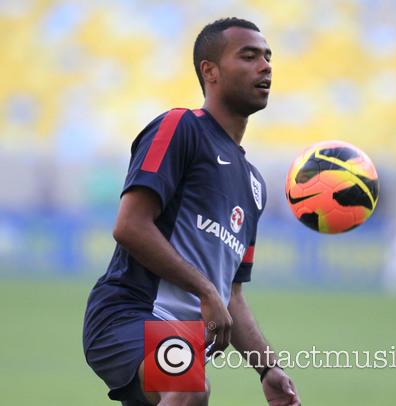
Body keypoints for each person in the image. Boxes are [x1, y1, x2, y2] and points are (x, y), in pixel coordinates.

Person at [83, 17, 301, 406]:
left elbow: (230, 294)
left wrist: (268, 369)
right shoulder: (181, 126)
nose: (265, 66)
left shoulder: (254, 185)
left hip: (179, 336)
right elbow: (130, 226)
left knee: (187, 386)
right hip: (128, 314)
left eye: (268, 57)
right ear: (210, 71)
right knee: (189, 386)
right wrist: (203, 290)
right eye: (249, 56)